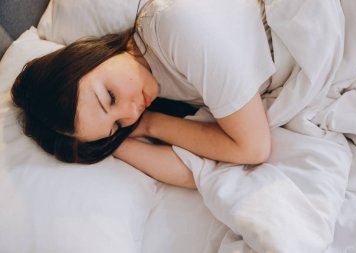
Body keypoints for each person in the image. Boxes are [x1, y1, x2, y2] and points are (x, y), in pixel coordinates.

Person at [11, 0, 274, 189]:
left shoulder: (180, 27)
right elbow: (196, 173)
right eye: (115, 125)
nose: (131, 114)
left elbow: (254, 148)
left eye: (110, 97)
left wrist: (152, 124)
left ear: (88, 56)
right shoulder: (149, 75)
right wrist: (115, 143)